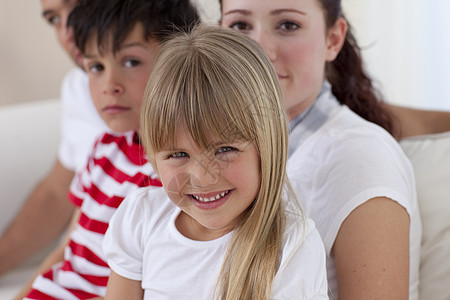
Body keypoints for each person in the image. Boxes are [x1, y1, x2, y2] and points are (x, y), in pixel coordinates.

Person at [102, 24, 328, 299]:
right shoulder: (141, 219)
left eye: (224, 149)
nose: (202, 177)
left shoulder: (292, 247)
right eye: (178, 155)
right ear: (152, 157)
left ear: (268, 145)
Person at [219, 0, 421, 299]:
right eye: (240, 26)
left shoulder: (360, 157)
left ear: (333, 39)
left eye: (288, 25)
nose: (259, 50)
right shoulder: (220, 150)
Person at [15, 0, 200, 299]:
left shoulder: (180, 173)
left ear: (179, 61)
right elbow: (68, 249)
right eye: (96, 67)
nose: (109, 85)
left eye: (130, 62)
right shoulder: (103, 152)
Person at [0, 0, 109, 277]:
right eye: (54, 20)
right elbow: (57, 194)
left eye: (80, 7)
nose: (67, 33)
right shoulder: (79, 88)